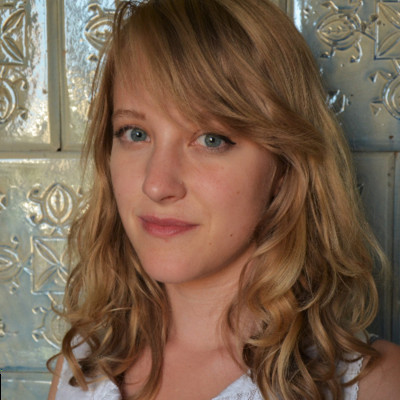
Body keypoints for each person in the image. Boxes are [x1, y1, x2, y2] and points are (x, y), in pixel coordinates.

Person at [47, 0, 400, 399]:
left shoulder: (375, 384)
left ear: (285, 166)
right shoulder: (80, 368)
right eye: (135, 133)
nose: (156, 185)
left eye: (211, 139)